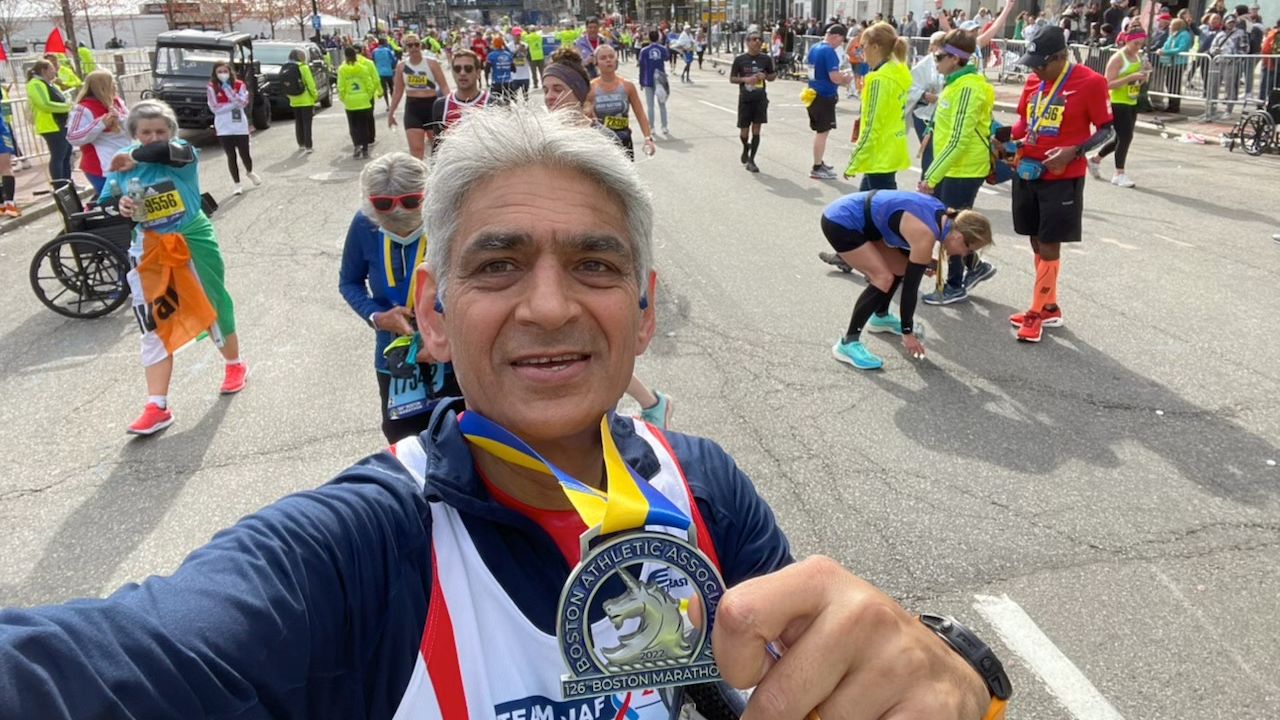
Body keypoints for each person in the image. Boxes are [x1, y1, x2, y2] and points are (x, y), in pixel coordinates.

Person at [0, 104, 1013, 720]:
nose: (549, 305)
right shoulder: (355, 554)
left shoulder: (704, 487)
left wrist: (936, 676)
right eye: (497, 265)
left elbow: (806, 686)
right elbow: (87, 674)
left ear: (644, 313)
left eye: (594, 265)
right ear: (434, 315)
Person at [102, 100, 246, 434]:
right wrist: (120, 204)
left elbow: (161, 152)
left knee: (212, 302)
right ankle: (157, 406)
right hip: (150, 246)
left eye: (160, 131)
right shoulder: (121, 160)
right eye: (145, 132)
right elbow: (107, 199)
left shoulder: (182, 152)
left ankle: (234, 364)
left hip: (192, 239)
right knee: (152, 321)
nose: (153, 137)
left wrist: (137, 155)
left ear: (171, 131)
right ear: (134, 133)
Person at [339, 152, 461, 442]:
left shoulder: (448, 221)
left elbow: (475, 285)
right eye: (391, 225)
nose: (401, 230)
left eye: (411, 223)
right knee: (403, 439)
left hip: (452, 355)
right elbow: (349, 282)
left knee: (460, 435)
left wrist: (445, 335)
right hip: (395, 357)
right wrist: (377, 316)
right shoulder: (364, 224)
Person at [1009, 26, 1114, 343]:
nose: (1036, 71)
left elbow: (1107, 131)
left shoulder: (1091, 82)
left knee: (1049, 241)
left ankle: (1036, 312)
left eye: (1041, 64)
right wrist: (1007, 140)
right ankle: (1049, 306)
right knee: (1035, 239)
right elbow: (1024, 122)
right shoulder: (1033, 81)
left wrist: (1075, 151)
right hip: (1027, 171)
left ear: (1061, 56)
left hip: (1062, 178)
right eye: (1032, 64)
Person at [823, 189, 995, 370]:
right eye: (969, 250)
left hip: (863, 220)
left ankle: (880, 317)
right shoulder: (926, 234)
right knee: (882, 278)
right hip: (840, 220)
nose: (964, 255)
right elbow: (910, 289)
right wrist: (908, 332)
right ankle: (847, 343)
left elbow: (905, 241)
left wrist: (922, 261)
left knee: (899, 268)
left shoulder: (945, 217)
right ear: (959, 237)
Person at [917, 31, 999, 306]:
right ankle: (976, 267)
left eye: (939, 56)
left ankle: (953, 285)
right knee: (949, 225)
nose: (935, 60)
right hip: (951, 167)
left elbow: (959, 140)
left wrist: (931, 176)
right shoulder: (955, 83)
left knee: (952, 230)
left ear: (955, 58)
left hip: (963, 170)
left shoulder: (967, 87)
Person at [843, 22, 911, 191]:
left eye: (863, 46)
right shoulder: (897, 71)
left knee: (881, 204)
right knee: (866, 202)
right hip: (890, 148)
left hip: (879, 153)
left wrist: (854, 160)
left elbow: (872, 125)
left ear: (875, 47)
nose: (861, 51)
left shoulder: (879, 80)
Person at [1087, 29, 1149, 188]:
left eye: (1141, 44)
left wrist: (1144, 75)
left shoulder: (1138, 57)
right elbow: (1107, 83)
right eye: (1136, 43)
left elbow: (1138, 82)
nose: (1138, 47)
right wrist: (1131, 77)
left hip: (1131, 101)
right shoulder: (1118, 58)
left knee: (1121, 138)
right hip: (1117, 101)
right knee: (1126, 137)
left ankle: (1095, 159)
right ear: (1127, 41)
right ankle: (1119, 174)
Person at [66, 69, 130, 196]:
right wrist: (100, 124)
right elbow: (73, 137)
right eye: (112, 83)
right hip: (101, 168)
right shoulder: (83, 108)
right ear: (102, 86)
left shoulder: (117, 102)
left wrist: (120, 118)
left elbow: (132, 126)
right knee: (112, 201)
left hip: (125, 162)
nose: (115, 86)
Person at [388, 33, 449, 160]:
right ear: (405, 48)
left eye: (416, 44)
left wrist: (452, 106)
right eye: (410, 45)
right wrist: (391, 113)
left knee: (438, 149)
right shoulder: (402, 67)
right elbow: (398, 92)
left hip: (431, 106)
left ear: (421, 45)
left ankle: (437, 171)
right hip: (413, 108)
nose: (414, 48)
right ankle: (418, 173)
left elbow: (444, 87)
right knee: (416, 150)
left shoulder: (432, 63)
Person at [590, 45, 656, 160]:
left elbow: (640, 113)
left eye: (611, 56)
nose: (608, 60)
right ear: (596, 62)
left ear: (616, 59)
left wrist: (647, 138)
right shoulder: (590, 88)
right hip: (601, 144)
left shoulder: (627, 86)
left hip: (624, 141)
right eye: (603, 58)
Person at [806, 23, 853, 180]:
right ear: (835, 36)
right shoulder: (829, 51)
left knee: (821, 131)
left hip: (813, 92)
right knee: (823, 132)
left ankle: (819, 162)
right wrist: (845, 78)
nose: (840, 44)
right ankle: (817, 167)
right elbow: (834, 77)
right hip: (824, 95)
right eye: (841, 40)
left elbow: (815, 71)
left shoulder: (814, 48)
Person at [205, 62, 259, 195]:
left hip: (239, 125)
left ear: (230, 72)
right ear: (215, 73)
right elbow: (214, 108)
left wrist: (229, 92)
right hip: (223, 127)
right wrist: (233, 104)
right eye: (219, 72)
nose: (222, 74)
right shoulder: (212, 87)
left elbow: (243, 102)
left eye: (225, 71)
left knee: (245, 153)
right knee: (231, 155)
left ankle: (249, 171)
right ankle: (237, 184)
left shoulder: (239, 84)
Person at [730, 31, 776, 173]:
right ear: (747, 42)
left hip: (760, 99)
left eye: (760, 39)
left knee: (756, 129)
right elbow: (732, 78)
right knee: (744, 131)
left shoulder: (765, 59)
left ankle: (752, 160)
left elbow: (773, 75)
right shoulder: (740, 59)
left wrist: (765, 76)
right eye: (754, 39)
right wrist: (745, 79)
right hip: (745, 99)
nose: (757, 42)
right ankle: (746, 147)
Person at [428, 49, 489, 145]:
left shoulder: (492, 103)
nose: (462, 73)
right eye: (457, 69)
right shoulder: (441, 105)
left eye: (468, 68)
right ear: (453, 72)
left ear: (478, 73)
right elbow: (437, 147)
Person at [26, 59, 73, 183]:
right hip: (51, 126)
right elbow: (44, 104)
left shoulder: (52, 84)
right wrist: (67, 107)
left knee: (66, 155)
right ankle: (60, 185)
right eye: (52, 68)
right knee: (58, 156)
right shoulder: (36, 84)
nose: (55, 71)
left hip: (62, 124)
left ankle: (68, 183)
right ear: (44, 71)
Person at [909, 31, 947, 176]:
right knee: (930, 150)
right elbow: (909, 87)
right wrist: (924, 95)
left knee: (941, 151)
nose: (942, 48)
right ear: (932, 46)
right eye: (939, 45)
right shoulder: (924, 64)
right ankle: (926, 181)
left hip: (943, 114)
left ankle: (936, 182)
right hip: (924, 115)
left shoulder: (950, 62)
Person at [339, 46, 377, 158]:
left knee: (353, 126)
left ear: (345, 56)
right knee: (364, 126)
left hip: (350, 102)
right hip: (363, 101)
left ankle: (356, 145)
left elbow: (341, 87)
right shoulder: (363, 68)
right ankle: (365, 149)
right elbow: (369, 85)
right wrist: (367, 96)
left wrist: (344, 98)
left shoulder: (342, 69)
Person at [284, 48, 318, 153]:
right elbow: (310, 83)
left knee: (298, 122)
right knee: (307, 123)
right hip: (306, 99)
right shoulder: (303, 67)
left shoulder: (286, 67)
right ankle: (309, 146)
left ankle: (301, 144)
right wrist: (314, 96)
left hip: (293, 99)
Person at [638, 30, 671, 137]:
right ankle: (664, 126)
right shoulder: (662, 49)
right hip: (660, 79)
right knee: (662, 104)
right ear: (658, 38)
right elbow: (667, 58)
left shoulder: (644, 51)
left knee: (650, 105)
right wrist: (667, 46)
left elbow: (642, 67)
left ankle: (651, 127)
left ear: (649, 38)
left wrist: (641, 81)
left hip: (648, 79)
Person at [1158, 18, 1194, 113]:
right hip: (1170, 62)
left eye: (1171, 25)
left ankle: (1175, 106)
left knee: (1175, 84)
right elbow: (1167, 45)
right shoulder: (1172, 34)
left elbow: (1181, 48)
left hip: (1179, 63)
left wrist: (1165, 52)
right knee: (1169, 83)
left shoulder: (1184, 35)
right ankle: (1170, 104)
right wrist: (1161, 50)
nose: (1170, 26)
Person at [0, 99, 19, 217]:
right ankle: (5, 205)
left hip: (2, 133)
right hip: (2, 132)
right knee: (5, 168)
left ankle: (8, 205)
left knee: (5, 168)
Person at [486, 36, 515, 102]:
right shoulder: (508, 54)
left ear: (494, 44)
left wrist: (487, 81)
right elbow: (514, 69)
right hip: (508, 82)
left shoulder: (491, 55)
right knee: (508, 102)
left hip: (496, 83)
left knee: (493, 103)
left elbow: (487, 70)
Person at [373, 38, 397, 107]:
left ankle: (387, 104)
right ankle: (393, 104)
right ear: (384, 43)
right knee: (391, 88)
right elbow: (393, 60)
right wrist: (393, 66)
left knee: (384, 89)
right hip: (389, 72)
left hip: (380, 72)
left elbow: (374, 61)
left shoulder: (374, 51)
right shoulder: (387, 50)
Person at [509, 30, 532, 100]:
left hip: (525, 75)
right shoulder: (509, 46)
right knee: (513, 96)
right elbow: (509, 59)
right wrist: (517, 50)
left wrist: (525, 52)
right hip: (514, 76)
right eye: (516, 35)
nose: (518, 37)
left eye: (519, 35)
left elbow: (530, 59)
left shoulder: (526, 45)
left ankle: (526, 105)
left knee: (526, 96)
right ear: (513, 36)